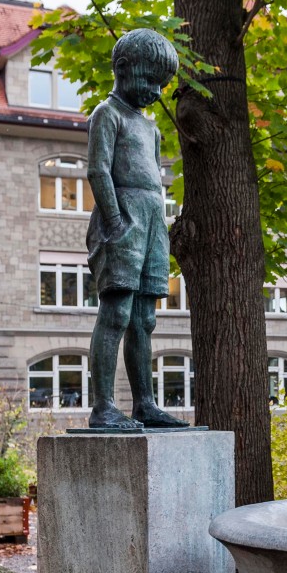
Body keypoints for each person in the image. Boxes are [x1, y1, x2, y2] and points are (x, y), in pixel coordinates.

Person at [86, 28, 189, 430]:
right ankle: (104, 406)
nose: (157, 91)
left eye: (163, 84)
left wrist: (155, 223)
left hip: (152, 222)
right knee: (117, 311)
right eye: (150, 80)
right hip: (123, 219)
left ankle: (145, 403)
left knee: (145, 318)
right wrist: (114, 220)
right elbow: (98, 170)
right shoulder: (106, 114)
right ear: (123, 69)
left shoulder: (150, 128)